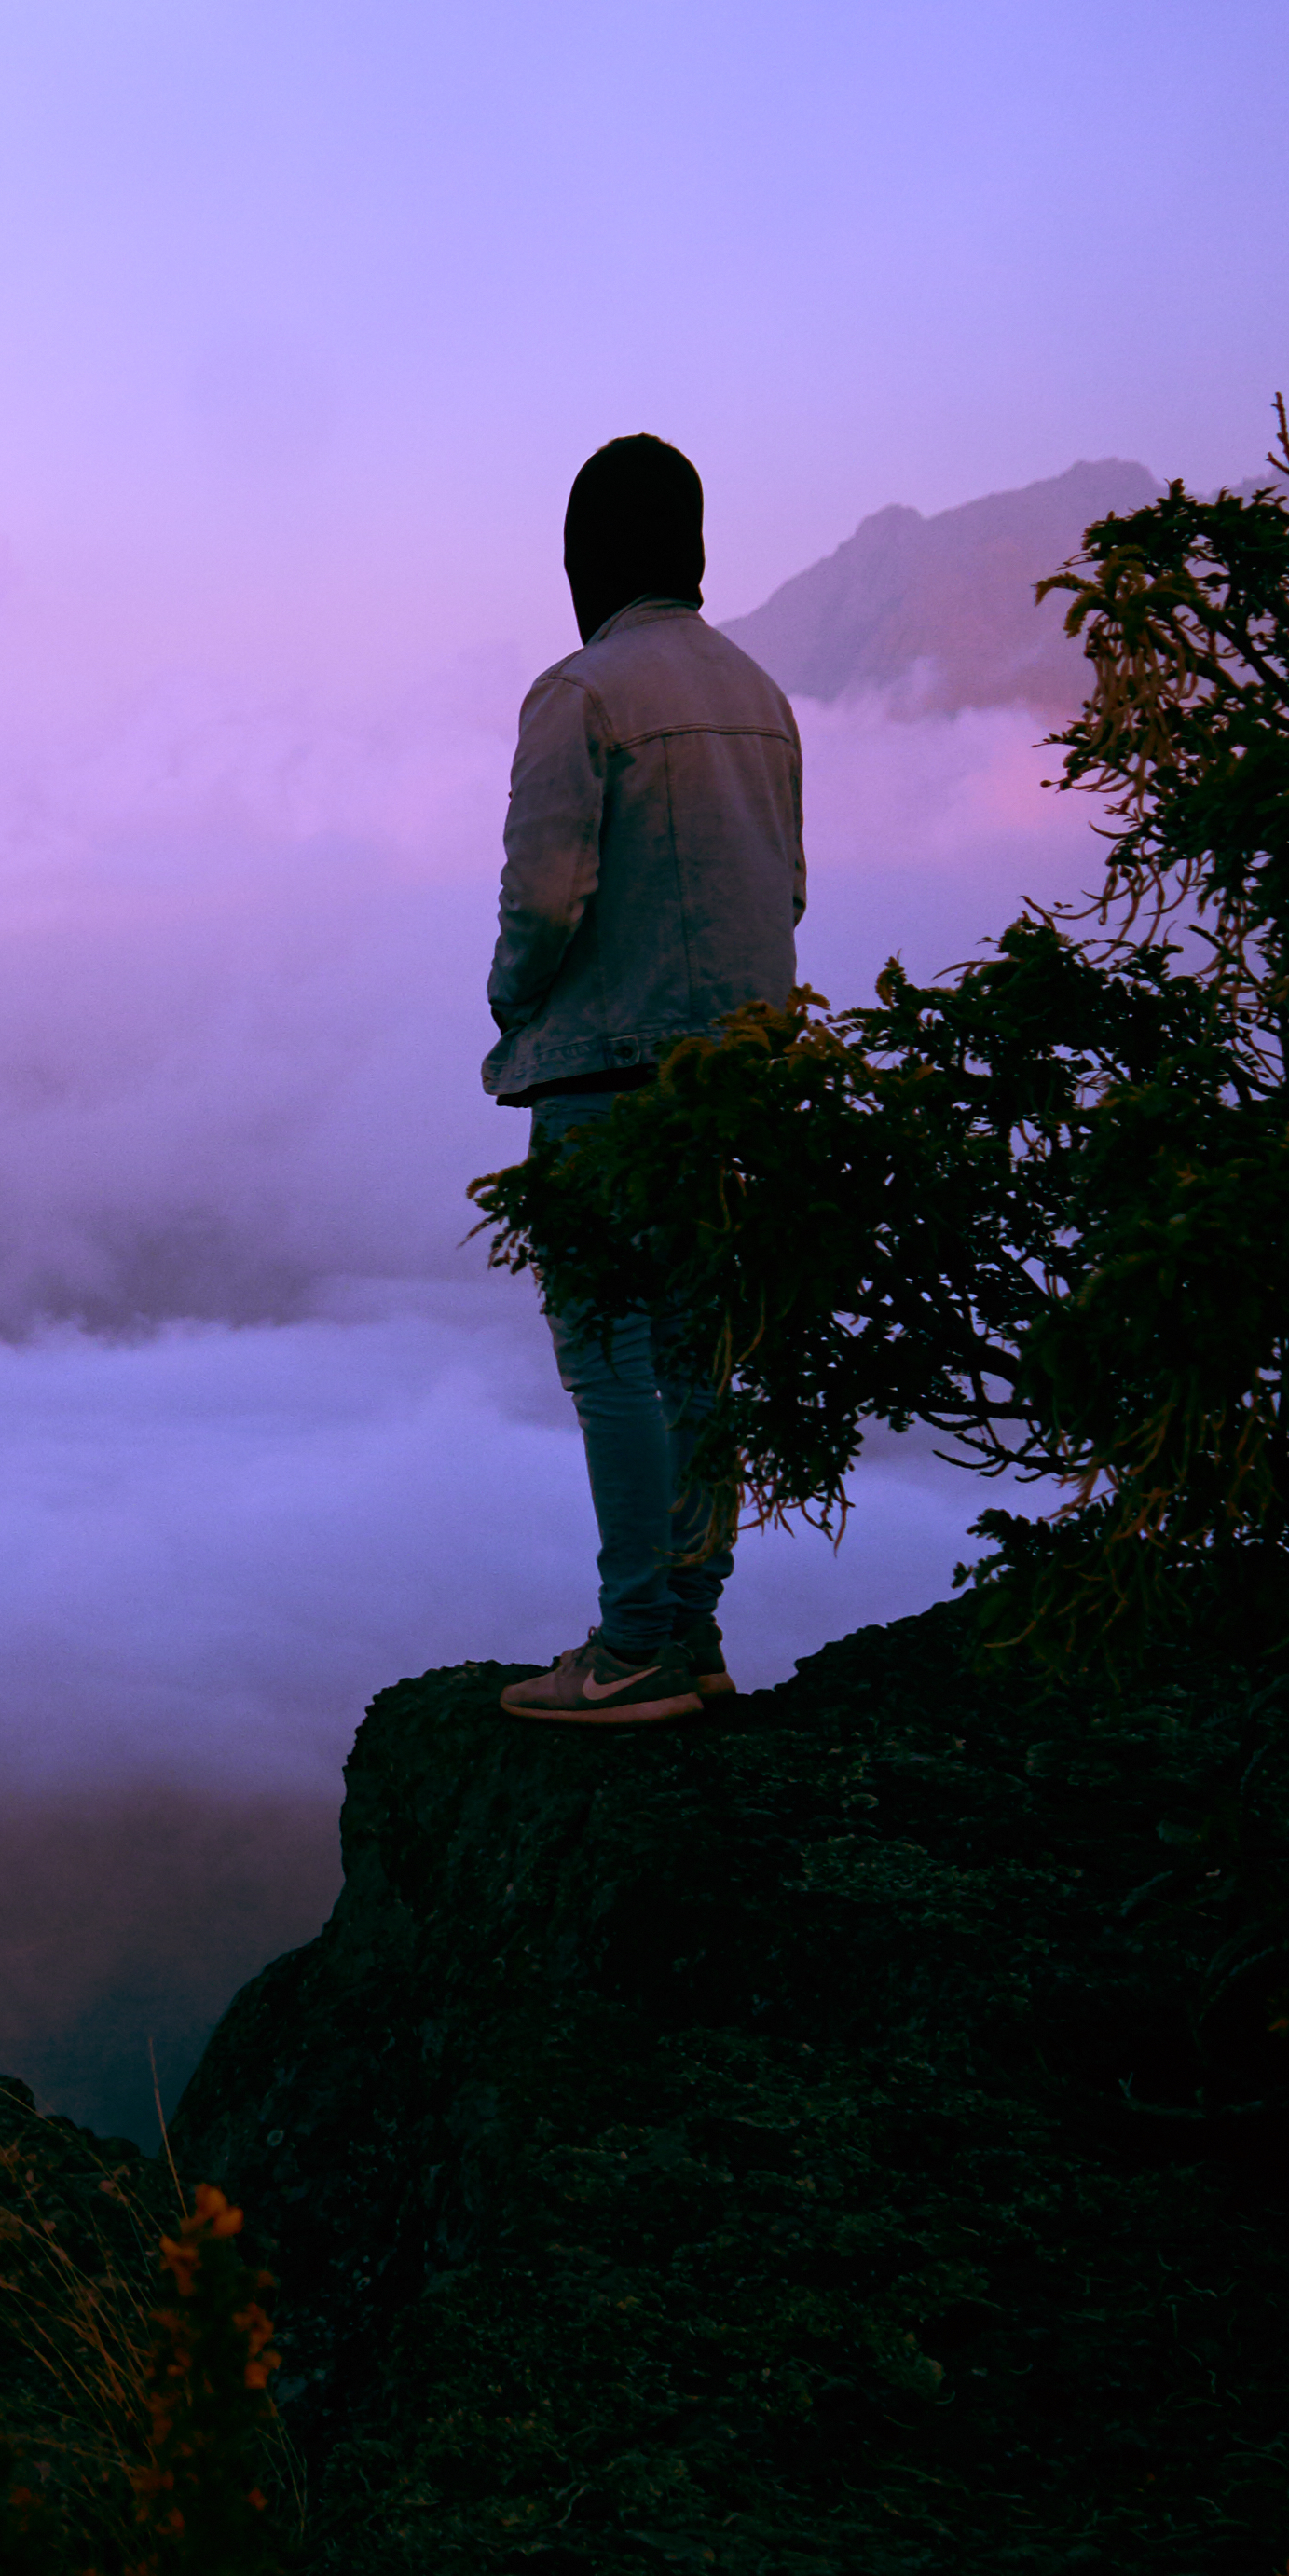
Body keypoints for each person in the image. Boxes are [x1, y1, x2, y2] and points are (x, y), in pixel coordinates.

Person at [485, 432, 803, 1726]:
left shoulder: (582, 694)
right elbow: (786, 888)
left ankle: (631, 1648)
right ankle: (698, 1633)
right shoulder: (763, 696)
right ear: (697, 550)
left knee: (609, 1353)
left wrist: (514, 997)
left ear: (587, 557)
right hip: (739, 1083)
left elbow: (547, 897)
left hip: (608, 1075)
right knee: (695, 1357)